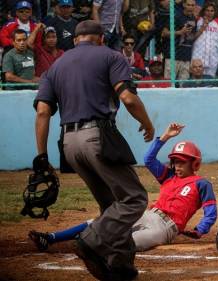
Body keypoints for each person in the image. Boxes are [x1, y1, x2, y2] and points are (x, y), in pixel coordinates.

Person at [33, 20, 155, 280]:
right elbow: (128, 98)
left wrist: (41, 157)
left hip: (68, 143)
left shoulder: (56, 66)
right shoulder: (112, 56)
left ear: (76, 39)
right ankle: (91, 240)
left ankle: (120, 265)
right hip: (97, 135)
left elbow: (43, 112)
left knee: (111, 203)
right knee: (134, 199)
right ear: (100, 38)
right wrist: (147, 124)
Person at [28, 123, 218, 253]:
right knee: (101, 223)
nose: (177, 166)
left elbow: (211, 212)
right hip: (147, 214)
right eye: (175, 161)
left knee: (125, 244)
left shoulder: (202, 183)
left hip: (165, 229)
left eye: (182, 163)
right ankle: (51, 238)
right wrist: (165, 137)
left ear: (195, 164)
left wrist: (200, 229)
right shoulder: (168, 177)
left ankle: (84, 246)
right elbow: (149, 159)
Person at [191, 0, 218, 77]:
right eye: (207, 10)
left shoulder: (217, 22)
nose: (209, 13)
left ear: (215, 12)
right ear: (204, 11)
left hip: (212, 55)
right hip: (198, 54)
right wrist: (202, 27)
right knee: (197, 77)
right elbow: (192, 8)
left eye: (212, 11)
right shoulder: (198, 19)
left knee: (209, 79)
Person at [162, 0, 197, 80]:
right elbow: (164, 33)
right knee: (169, 84)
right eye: (189, 5)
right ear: (184, 5)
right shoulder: (176, 16)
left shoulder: (193, 18)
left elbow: (191, 37)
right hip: (173, 56)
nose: (191, 7)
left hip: (186, 57)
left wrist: (202, 28)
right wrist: (180, 32)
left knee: (183, 87)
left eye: (192, 5)